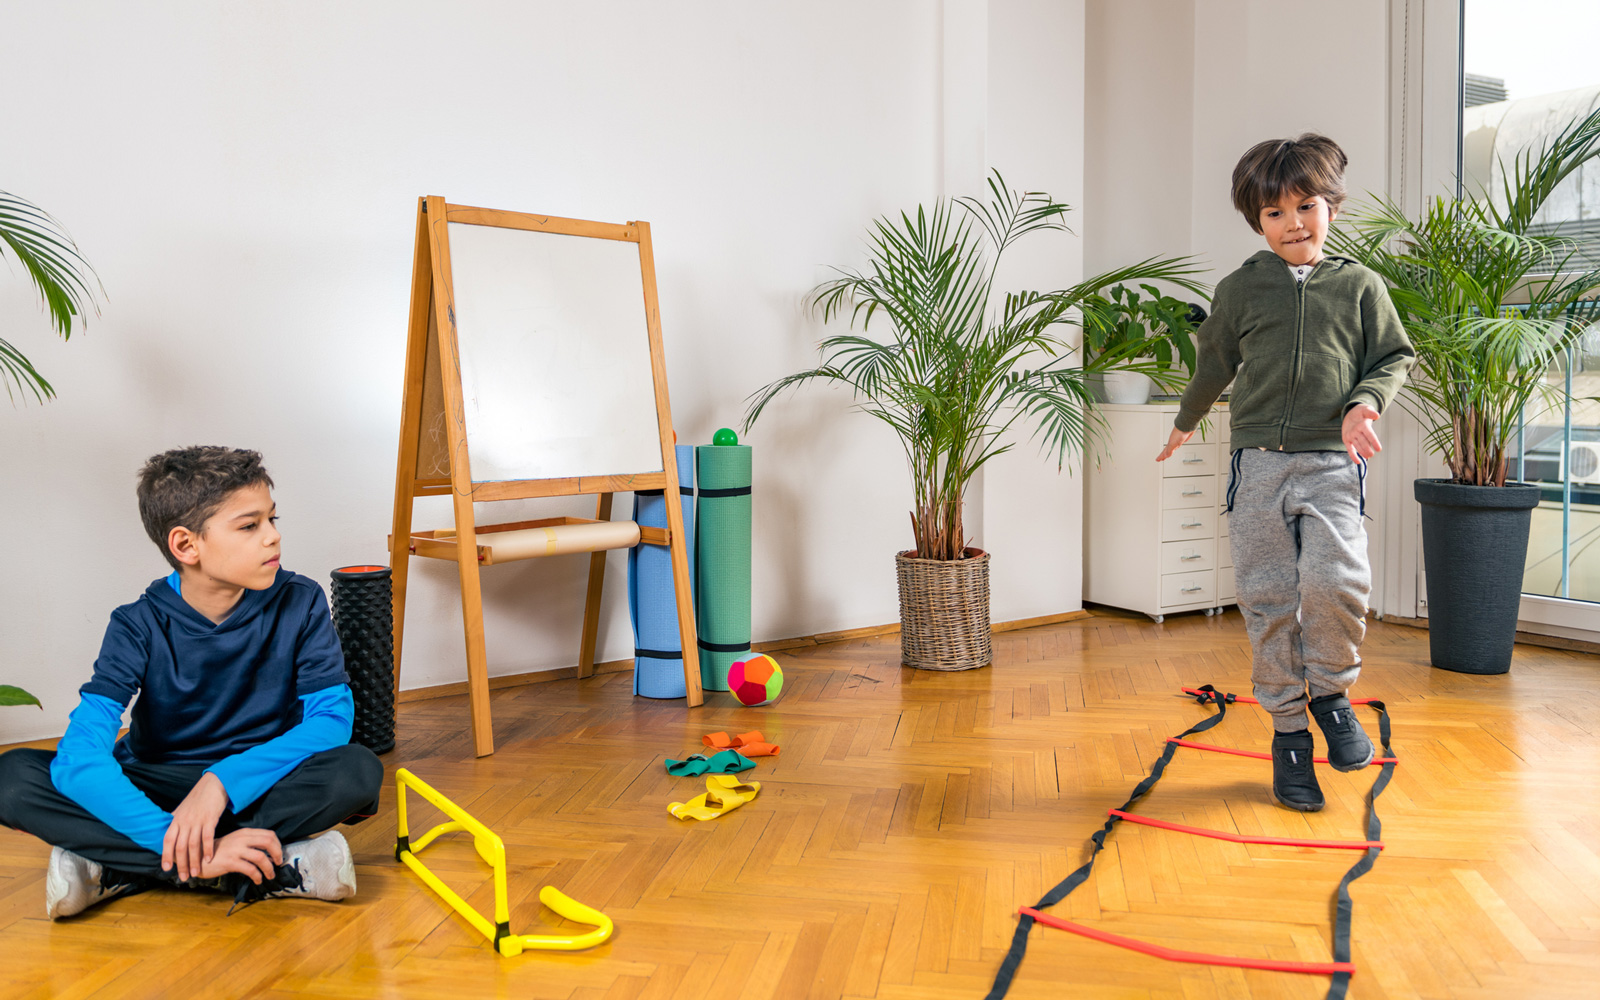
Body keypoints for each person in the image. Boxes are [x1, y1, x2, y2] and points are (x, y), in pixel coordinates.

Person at [0, 446, 384, 918]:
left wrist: (220, 781)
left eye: (272, 519)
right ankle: (250, 866)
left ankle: (123, 867)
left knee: (356, 771)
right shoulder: (135, 625)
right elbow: (80, 755)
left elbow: (331, 721)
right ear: (186, 546)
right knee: (13, 779)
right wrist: (166, 832)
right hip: (157, 781)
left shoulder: (300, 601)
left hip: (256, 782)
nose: (273, 537)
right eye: (250, 525)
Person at [1156, 134, 1413, 812]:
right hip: (1259, 466)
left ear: (1331, 205)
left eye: (1306, 206)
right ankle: (1290, 738)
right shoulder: (1239, 289)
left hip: (1332, 462)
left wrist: (1364, 404)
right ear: (1256, 220)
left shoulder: (1360, 286)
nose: (1293, 223)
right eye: (1275, 213)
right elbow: (1214, 364)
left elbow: (1392, 357)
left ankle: (1331, 692)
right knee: (1270, 600)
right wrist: (1185, 420)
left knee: (1336, 582)